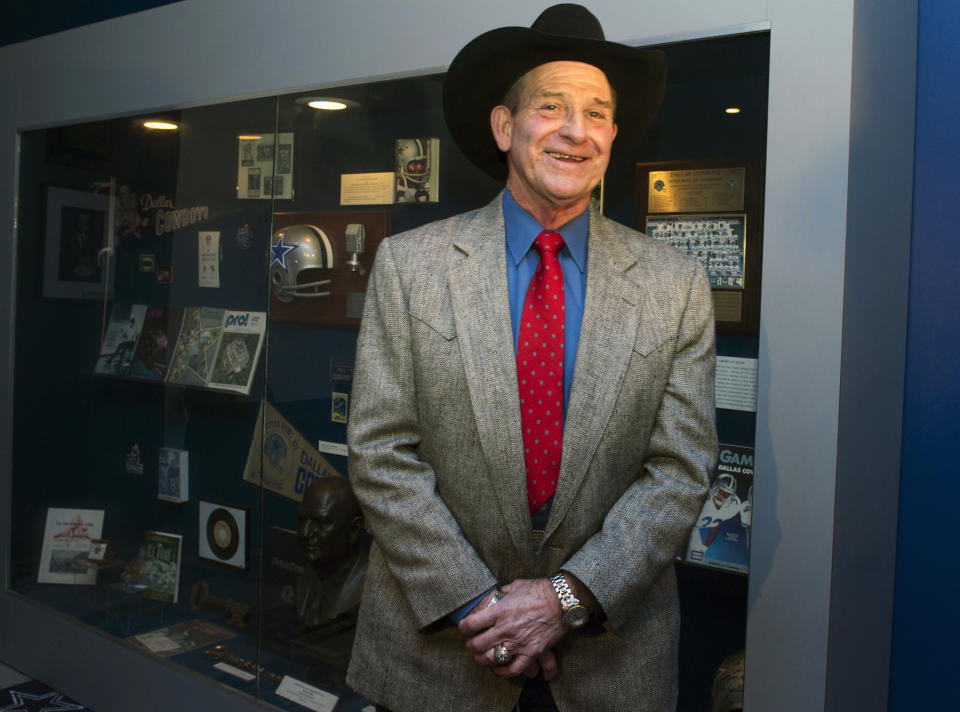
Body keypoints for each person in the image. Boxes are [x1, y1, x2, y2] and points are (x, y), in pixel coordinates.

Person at [346, 5, 717, 711]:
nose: (576, 131)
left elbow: (681, 470)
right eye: (551, 107)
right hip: (441, 656)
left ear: (612, 135)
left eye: (598, 113)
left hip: (609, 661)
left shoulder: (675, 286)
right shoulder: (411, 267)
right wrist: (478, 606)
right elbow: (379, 452)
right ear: (504, 126)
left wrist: (566, 598)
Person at [295, 477, 368, 631]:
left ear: (354, 530)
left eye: (320, 524)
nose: (306, 533)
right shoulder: (308, 575)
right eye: (302, 521)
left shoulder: (368, 586)